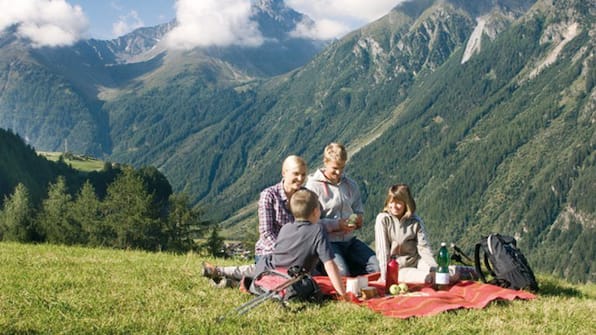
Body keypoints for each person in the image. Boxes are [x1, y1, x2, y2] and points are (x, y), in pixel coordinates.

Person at [202, 155, 307, 285]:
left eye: (303, 174)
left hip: (295, 253)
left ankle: (233, 282)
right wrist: (285, 252)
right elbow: (266, 233)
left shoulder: (306, 196)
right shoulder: (269, 196)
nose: (300, 179)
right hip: (270, 252)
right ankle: (222, 272)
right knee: (276, 272)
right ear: (284, 173)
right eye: (296, 174)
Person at [254, 189, 349, 300]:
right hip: (296, 278)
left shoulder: (286, 227)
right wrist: (342, 294)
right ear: (315, 211)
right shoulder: (317, 230)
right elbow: (329, 264)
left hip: (274, 273)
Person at [305, 142, 379, 277]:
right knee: (342, 275)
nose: (338, 173)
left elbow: (358, 210)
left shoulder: (351, 185)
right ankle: (323, 268)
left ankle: (351, 270)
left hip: (349, 241)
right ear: (325, 162)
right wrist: (337, 225)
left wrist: (358, 219)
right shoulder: (313, 187)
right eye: (335, 168)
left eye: (342, 168)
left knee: (377, 267)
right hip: (328, 243)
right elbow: (310, 223)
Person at [374, 183, 437, 284]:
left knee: (441, 274)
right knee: (428, 278)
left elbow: (424, 248)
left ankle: (468, 271)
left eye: (398, 203)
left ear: (406, 204)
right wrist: (384, 276)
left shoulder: (415, 221)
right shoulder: (383, 219)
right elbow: (382, 250)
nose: (394, 206)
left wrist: (434, 268)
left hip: (416, 262)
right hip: (397, 267)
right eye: (391, 202)